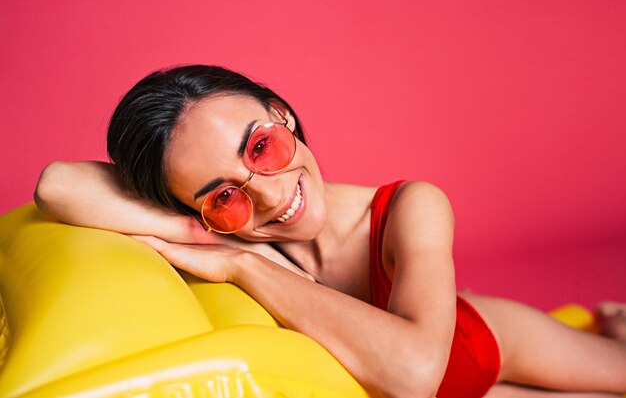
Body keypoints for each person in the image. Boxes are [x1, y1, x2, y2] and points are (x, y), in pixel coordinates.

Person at [34, 65, 626, 398]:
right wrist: (206, 226)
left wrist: (243, 263)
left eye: (262, 147)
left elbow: (415, 372)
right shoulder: (223, 227)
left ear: (282, 115)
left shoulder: (412, 205)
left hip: (479, 338)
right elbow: (57, 185)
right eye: (225, 193)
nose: (271, 196)